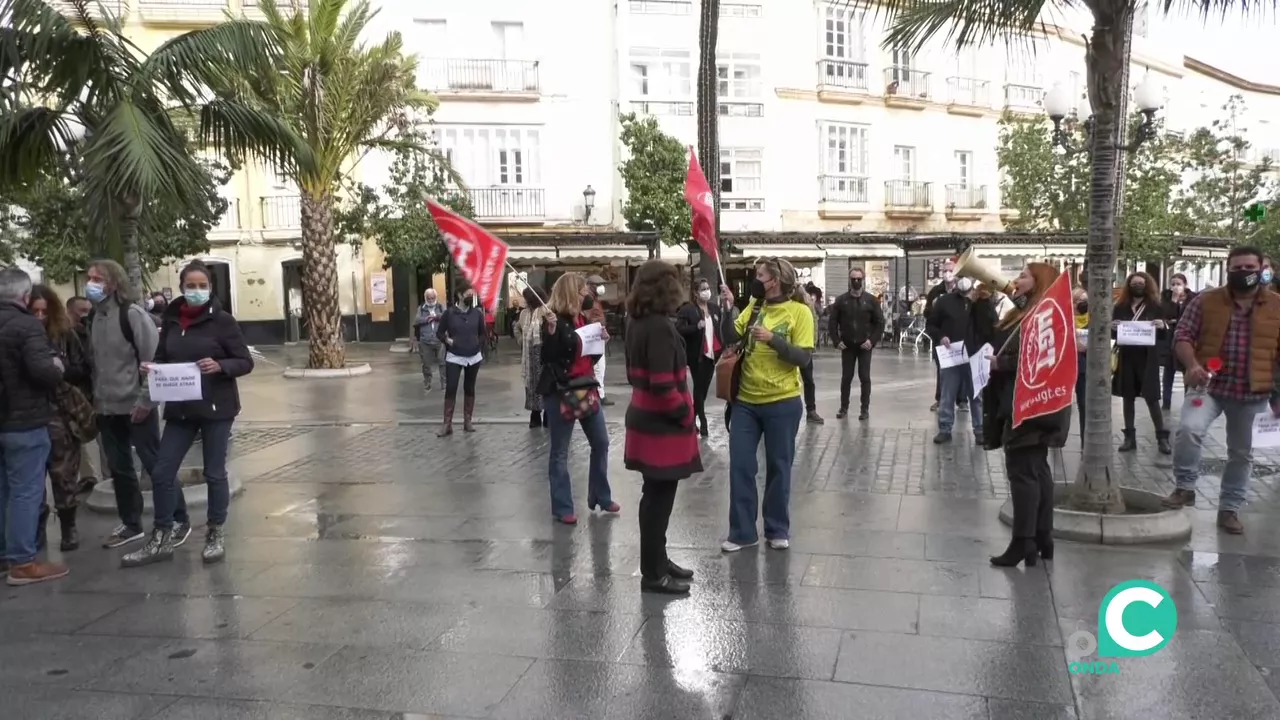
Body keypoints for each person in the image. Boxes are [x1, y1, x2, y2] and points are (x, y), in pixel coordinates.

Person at [123, 260, 254, 567]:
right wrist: (152, 370)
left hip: (215, 409)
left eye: (202, 285)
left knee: (213, 472)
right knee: (162, 472)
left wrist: (221, 366)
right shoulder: (170, 321)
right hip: (180, 409)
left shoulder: (223, 322)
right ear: (181, 288)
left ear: (210, 288)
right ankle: (162, 536)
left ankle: (215, 531)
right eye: (190, 286)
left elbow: (245, 361)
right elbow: (162, 357)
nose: (197, 291)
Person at [1164, 246, 1280, 534]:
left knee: (1241, 453)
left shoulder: (1277, 305)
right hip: (1209, 387)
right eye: (1237, 268)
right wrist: (1191, 364)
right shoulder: (1206, 300)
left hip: (1253, 393)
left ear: (1261, 269)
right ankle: (1185, 486)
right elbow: (1183, 334)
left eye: (1249, 268)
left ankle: (1229, 509)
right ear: (1227, 269)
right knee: (1189, 429)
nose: (1243, 273)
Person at [722, 257, 813, 553]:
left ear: (775, 280)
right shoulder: (754, 307)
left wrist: (773, 339)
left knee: (778, 467)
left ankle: (777, 528)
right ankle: (742, 532)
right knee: (741, 466)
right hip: (746, 402)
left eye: (760, 274)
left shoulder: (800, 312)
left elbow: (803, 358)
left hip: (782, 402)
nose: (756, 278)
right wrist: (727, 308)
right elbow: (730, 337)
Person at [984, 263, 1071, 567]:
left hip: (1027, 407)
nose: (1015, 281)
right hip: (1040, 407)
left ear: (1038, 283)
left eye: (1023, 276)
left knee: (1023, 473)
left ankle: (1022, 542)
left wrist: (1000, 364)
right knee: (1038, 472)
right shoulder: (1039, 312)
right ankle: (1042, 537)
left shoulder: (1037, 317)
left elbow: (1031, 359)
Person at [624, 260, 702, 595]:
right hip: (661, 422)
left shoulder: (637, 321)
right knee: (659, 499)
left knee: (654, 496)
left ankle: (657, 560)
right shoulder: (658, 326)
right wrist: (687, 412)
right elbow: (662, 384)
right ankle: (653, 573)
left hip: (645, 418)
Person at [86, 259, 172, 550]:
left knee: (155, 464)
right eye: (90, 278)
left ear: (113, 282)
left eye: (97, 278)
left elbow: (153, 361)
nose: (91, 283)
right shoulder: (95, 318)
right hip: (107, 408)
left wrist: (146, 401)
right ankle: (131, 524)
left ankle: (177, 517)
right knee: (120, 468)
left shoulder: (132, 315)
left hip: (136, 406)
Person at [0, 268, 68, 585]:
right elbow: (43, 372)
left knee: (4, 490)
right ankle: (22, 563)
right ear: (25, 296)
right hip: (23, 422)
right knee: (26, 492)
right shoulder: (26, 325)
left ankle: (5, 555)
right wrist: (56, 365)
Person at [538, 272, 616, 524]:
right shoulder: (554, 321)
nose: (588, 294)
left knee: (601, 442)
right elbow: (547, 357)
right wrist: (550, 332)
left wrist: (599, 341)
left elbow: (589, 357)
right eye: (583, 290)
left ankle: (600, 495)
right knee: (560, 451)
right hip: (561, 391)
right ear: (572, 293)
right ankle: (562, 507)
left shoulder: (584, 319)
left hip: (585, 387)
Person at [30, 285, 93, 552]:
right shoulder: (20, 335)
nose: (40, 316)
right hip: (31, 412)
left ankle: (69, 527)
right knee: (32, 478)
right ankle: (36, 530)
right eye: (35, 311)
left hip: (61, 412)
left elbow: (83, 368)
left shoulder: (65, 334)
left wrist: (59, 369)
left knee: (64, 474)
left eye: (45, 311)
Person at [928, 276, 994, 444]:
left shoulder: (981, 301)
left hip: (975, 354)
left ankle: (979, 430)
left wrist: (983, 302)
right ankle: (944, 428)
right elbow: (931, 324)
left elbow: (991, 325)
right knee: (947, 394)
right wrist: (941, 336)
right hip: (952, 355)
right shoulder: (945, 301)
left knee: (976, 395)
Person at [1112, 272, 1169, 454]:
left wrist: (1163, 326)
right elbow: (1115, 334)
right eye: (1134, 283)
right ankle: (1129, 437)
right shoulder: (1120, 306)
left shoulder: (1155, 306)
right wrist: (1113, 328)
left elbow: (1164, 333)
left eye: (1141, 283)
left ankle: (1162, 438)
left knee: (1152, 398)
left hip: (1148, 357)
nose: (1138, 286)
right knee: (1128, 397)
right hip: (1127, 356)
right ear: (1128, 285)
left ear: (1147, 285)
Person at [675, 277, 734, 436]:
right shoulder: (687, 310)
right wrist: (696, 327)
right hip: (696, 356)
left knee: (703, 390)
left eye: (707, 288)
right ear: (695, 292)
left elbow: (723, 328)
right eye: (703, 288)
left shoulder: (714, 309)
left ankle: (692, 417)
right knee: (699, 388)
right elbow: (679, 329)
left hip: (712, 355)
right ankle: (703, 420)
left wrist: (727, 306)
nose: (706, 291)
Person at [829, 267, 887, 421]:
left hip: (864, 345)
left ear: (863, 280)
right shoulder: (841, 300)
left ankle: (864, 409)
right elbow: (832, 322)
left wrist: (872, 341)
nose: (856, 282)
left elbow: (880, 323)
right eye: (853, 279)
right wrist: (836, 341)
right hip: (847, 345)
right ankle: (844, 407)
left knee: (865, 377)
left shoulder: (871, 300)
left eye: (858, 279)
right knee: (846, 377)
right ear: (849, 280)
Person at [436, 284, 487, 436]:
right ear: (459, 295)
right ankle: (447, 424)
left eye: (473, 294)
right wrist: (448, 341)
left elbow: (483, 333)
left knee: (469, 387)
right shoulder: (449, 313)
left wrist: (478, 343)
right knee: (451, 387)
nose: (471, 296)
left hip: (473, 356)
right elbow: (440, 333)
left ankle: (468, 421)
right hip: (455, 355)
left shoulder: (477, 314)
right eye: (468, 294)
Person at [924, 258, 959, 412]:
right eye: (945, 271)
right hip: (941, 337)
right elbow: (927, 314)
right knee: (942, 370)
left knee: (960, 368)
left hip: (959, 337)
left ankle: (961, 400)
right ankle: (940, 399)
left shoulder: (962, 290)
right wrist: (933, 307)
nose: (947, 274)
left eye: (950, 270)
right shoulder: (935, 291)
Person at [515, 286, 552, 428]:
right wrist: (520, 340)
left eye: (526, 298)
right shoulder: (524, 313)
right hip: (529, 357)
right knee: (531, 387)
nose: (524, 301)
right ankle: (535, 414)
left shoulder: (546, 310)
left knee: (545, 385)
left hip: (543, 354)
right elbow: (516, 327)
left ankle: (548, 414)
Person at [1160, 273, 1195, 411]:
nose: (1175, 287)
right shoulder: (1166, 298)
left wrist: (1176, 321)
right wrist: (1173, 301)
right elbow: (1166, 315)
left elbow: (1189, 318)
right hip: (1169, 339)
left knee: (1186, 369)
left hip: (1186, 340)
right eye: (1173, 284)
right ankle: (1166, 402)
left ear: (1185, 285)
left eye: (1178, 284)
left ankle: (1188, 400)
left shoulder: (1193, 298)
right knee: (1168, 372)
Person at [583, 273, 613, 406]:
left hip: (597, 336)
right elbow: (587, 318)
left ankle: (598, 393)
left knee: (599, 367)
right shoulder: (589, 300)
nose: (601, 287)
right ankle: (600, 394)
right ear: (590, 285)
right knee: (599, 368)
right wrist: (598, 327)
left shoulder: (593, 299)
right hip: (594, 336)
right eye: (598, 284)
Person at [798, 288, 824, 424]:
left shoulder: (806, 302)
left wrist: (812, 343)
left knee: (808, 379)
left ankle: (811, 410)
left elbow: (814, 321)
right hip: (789, 345)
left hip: (803, 346)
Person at [413, 288, 446, 391]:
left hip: (439, 339)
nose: (431, 300)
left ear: (435, 297)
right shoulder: (421, 308)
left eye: (433, 298)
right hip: (425, 340)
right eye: (429, 298)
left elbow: (446, 316)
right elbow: (417, 320)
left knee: (443, 363)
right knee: (426, 364)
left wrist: (436, 317)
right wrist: (427, 319)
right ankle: (427, 382)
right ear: (425, 298)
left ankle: (444, 382)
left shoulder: (440, 307)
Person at [1072, 285, 1089, 445]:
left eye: (1086, 301)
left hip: (1084, 366)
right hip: (1066, 366)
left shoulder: (1092, 319)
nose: (1083, 304)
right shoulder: (1065, 317)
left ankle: (1085, 442)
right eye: (1079, 301)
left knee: (1084, 404)